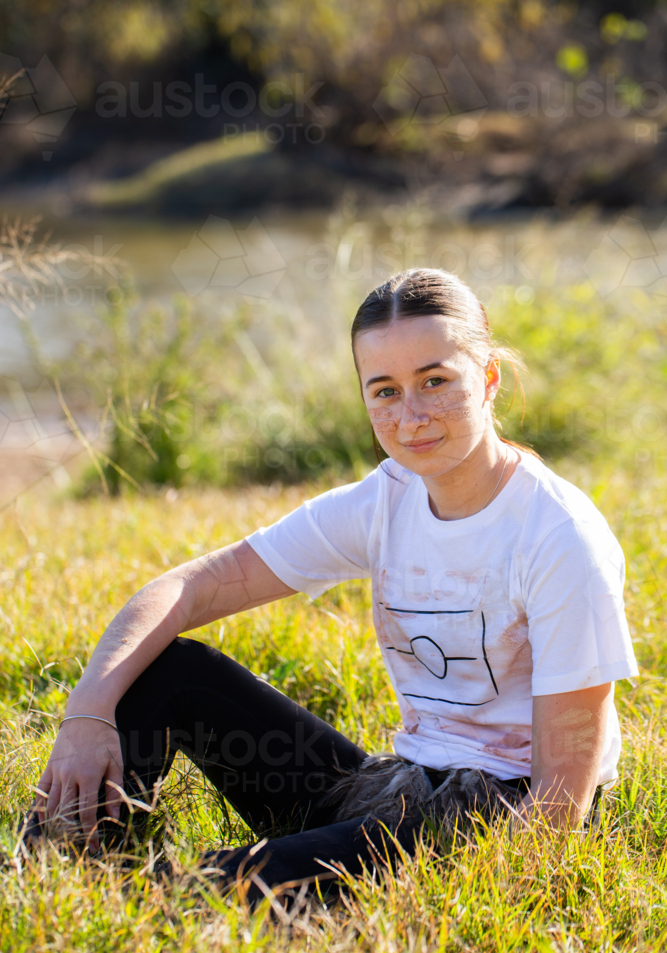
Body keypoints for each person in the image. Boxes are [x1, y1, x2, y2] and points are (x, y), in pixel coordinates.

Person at [23, 268, 638, 901]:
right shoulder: (386, 500)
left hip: (494, 819)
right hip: (397, 787)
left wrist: (479, 891)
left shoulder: (559, 535)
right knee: (165, 668)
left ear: (487, 380)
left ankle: (158, 897)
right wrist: (87, 713)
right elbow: (192, 587)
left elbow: (564, 796)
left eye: (435, 381)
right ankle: (61, 865)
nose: (412, 416)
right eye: (385, 391)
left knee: (216, 890)